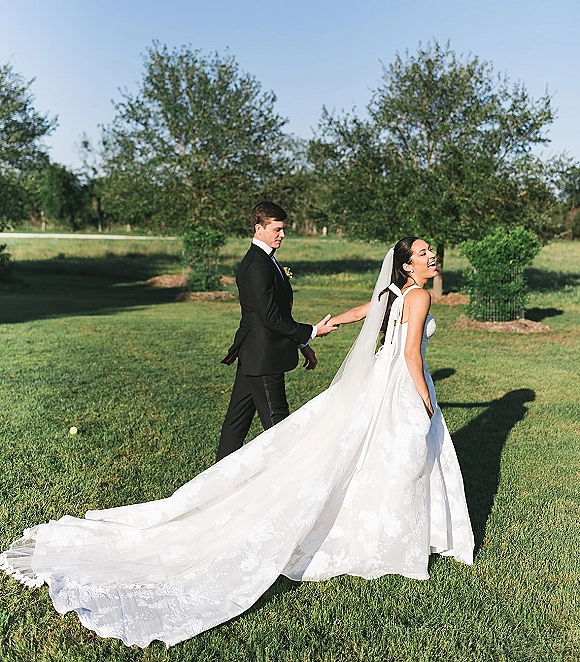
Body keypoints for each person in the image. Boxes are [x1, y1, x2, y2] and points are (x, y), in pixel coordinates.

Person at [0, 237, 474, 648]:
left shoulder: (396, 294)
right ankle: (391, 538)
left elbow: (360, 312)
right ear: (407, 264)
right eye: (423, 253)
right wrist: (424, 398)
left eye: (430, 251)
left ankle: (391, 532)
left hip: (380, 383)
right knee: (401, 459)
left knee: (377, 457)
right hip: (400, 385)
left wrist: (325, 326)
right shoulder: (419, 299)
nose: (432, 256)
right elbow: (411, 352)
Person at [216, 201, 338, 460]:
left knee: (236, 424)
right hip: (263, 357)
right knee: (279, 427)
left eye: (283, 229)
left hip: (255, 354)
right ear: (259, 228)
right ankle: (284, 487)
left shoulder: (266, 260)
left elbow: (278, 314)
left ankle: (216, 480)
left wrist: (303, 345)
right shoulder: (257, 266)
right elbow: (270, 318)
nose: (282, 235)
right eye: (277, 229)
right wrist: (312, 331)